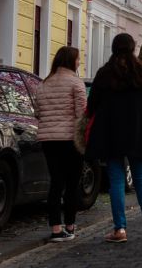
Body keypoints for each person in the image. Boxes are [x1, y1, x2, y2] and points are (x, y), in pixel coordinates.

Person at [86, 34, 142, 242]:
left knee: (117, 181)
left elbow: (91, 104)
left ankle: (119, 230)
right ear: (132, 48)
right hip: (136, 131)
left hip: (111, 133)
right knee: (141, 180)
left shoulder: (104, 74)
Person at [35, 46, 86, 242]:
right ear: (71, 61)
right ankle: (70, 225)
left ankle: (56, 228)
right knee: (72, 184)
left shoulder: (44, 84)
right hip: (70, 140)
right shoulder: (75, 83)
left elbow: (38, 112)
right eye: (78, 59)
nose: (79, 62)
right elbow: (81, 114)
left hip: (48, 140)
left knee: (56, 183)